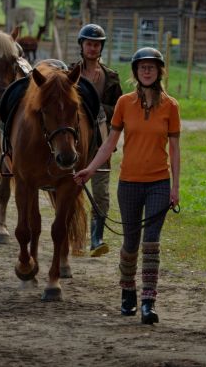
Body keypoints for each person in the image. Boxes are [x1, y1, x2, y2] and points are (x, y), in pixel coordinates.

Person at [74, 47, 181, 325]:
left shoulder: (171, 106)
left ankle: (148, 301)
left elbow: (175, 148)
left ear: (159, 72)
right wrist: (90, 168)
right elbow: (110, 142)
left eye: (152, 67)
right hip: (129, 183)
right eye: (142, 67)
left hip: (159, 182)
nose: (147, 71)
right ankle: (127, 291)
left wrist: (175, 187)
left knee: (151, 242)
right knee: (131, 242)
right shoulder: (123, 103)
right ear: (136, 72)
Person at [70, 23, 122, 257]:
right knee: (71, 190)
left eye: (96, 44)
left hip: (101, 141)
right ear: (82, 46)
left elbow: (120, 109)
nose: (92, 48)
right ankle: (75, 238)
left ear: (101, 47)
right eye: (89, 43)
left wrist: (103, 110)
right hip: (74, 141)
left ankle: (96, 236)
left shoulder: (111, 77)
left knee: (101, 192)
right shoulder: (70, 73)